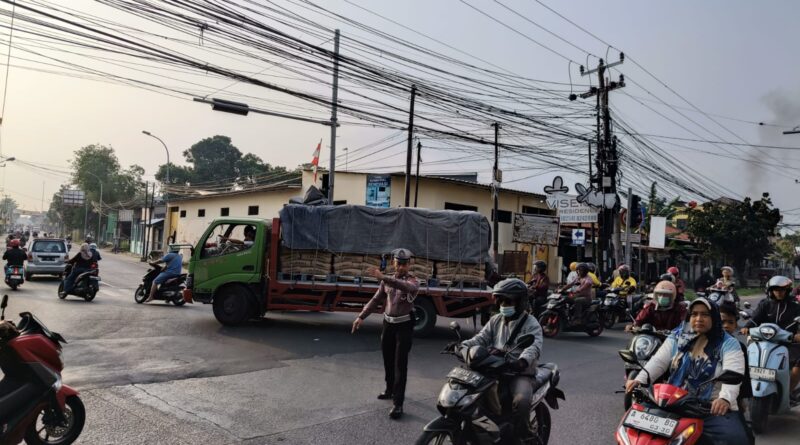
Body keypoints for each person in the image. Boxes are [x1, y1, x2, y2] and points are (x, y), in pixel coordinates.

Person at [626, 298, 748, 445]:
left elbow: (733, 371)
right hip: (672, 401)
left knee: (738, 439)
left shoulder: (728, 343)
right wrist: (640, 379)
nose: (698, 319)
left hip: (709, 408)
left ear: (714, 317)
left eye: (705, 314)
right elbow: (659, 361)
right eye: (694, 314)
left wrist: (725, 399)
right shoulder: (677, 335)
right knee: (635, 428)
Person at [459, 278, 543, 442]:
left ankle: (522, 436)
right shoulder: (496, 319)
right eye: (501, 301)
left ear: (520, 302)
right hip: (495, 368)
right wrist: (462, 345)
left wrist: (522, 361)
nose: (504, 305)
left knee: (521, 401)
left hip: (518, 373)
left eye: (508, 301)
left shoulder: (531, 323)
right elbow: (480, 338)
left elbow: (534, 346)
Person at [352, 248, 420, 420]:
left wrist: (383, 277)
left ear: (409, 265)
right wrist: (361, 316)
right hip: (388, 324)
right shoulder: (386, 281)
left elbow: (405, 286)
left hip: (404, 326)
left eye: (405, 264)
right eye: (399, 263)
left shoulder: (413, 281)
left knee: (400, 365)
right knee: (387, 360)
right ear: (393, 263)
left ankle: (398, 403)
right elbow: (376, 299)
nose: (402, 267)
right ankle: (390, 390)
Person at [740, 275, 800, 397]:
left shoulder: (795, 306)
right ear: (771, 291)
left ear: (787, 291)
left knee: (798, 364)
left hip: (788, 342)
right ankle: (743, 392)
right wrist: (747, 327)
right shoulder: (765, 304)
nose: (779, 292)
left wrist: (798, 334)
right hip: (764, 340)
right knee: (744, 360)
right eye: (776, 289)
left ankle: (788, 393)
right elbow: (755, 318)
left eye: (782, 290)